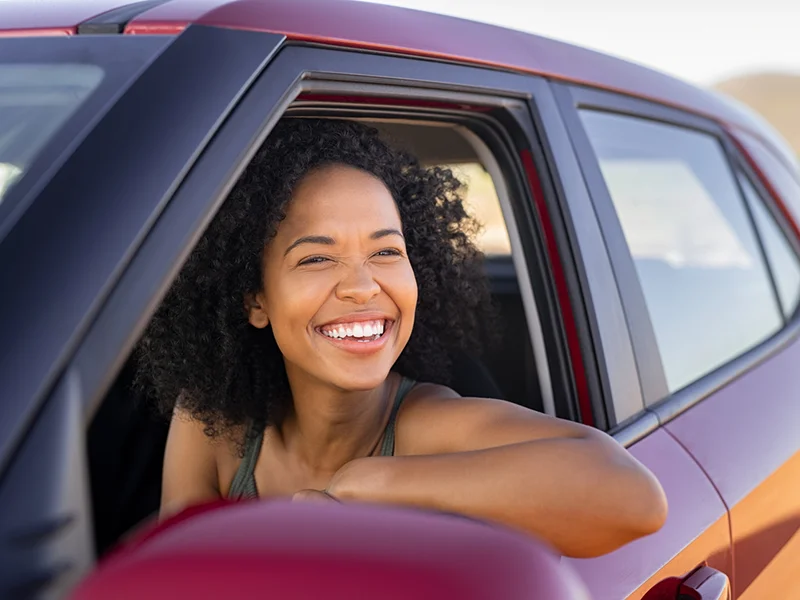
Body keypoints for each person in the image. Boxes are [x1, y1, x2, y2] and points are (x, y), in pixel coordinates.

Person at [137, 118, 667, 558]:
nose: (363, 285)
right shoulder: (212, 426)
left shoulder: (428, 426)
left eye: (386, 252)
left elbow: (636, 496)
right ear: (255, 300)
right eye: (317, 258)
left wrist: (368, 487)